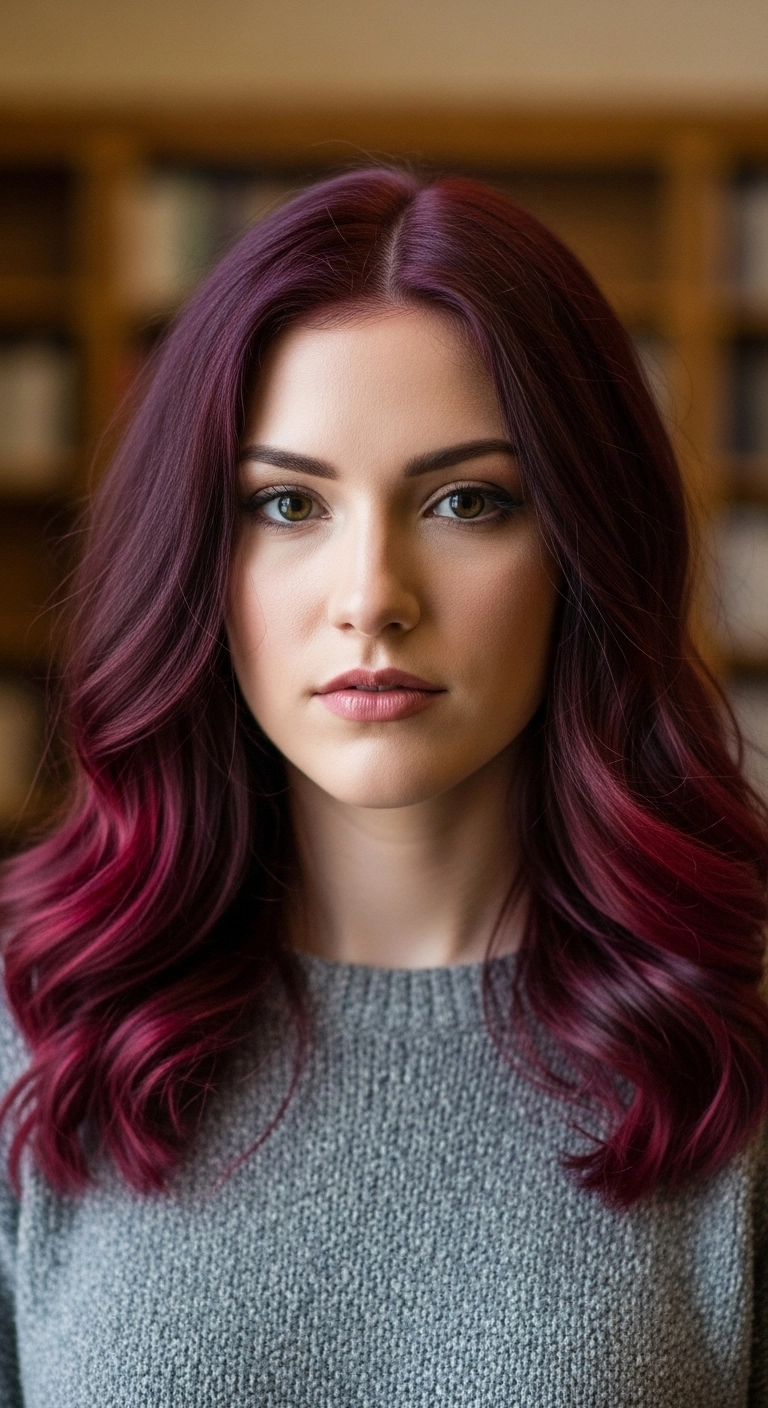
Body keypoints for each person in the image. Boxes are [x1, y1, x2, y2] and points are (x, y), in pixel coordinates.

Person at [0, 166, 767, 1407]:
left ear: (584, 546)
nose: (372, 594)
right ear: (201, 553)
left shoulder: (735, 1029)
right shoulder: (32, 1018)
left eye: (469, 500)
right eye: (287, 503)